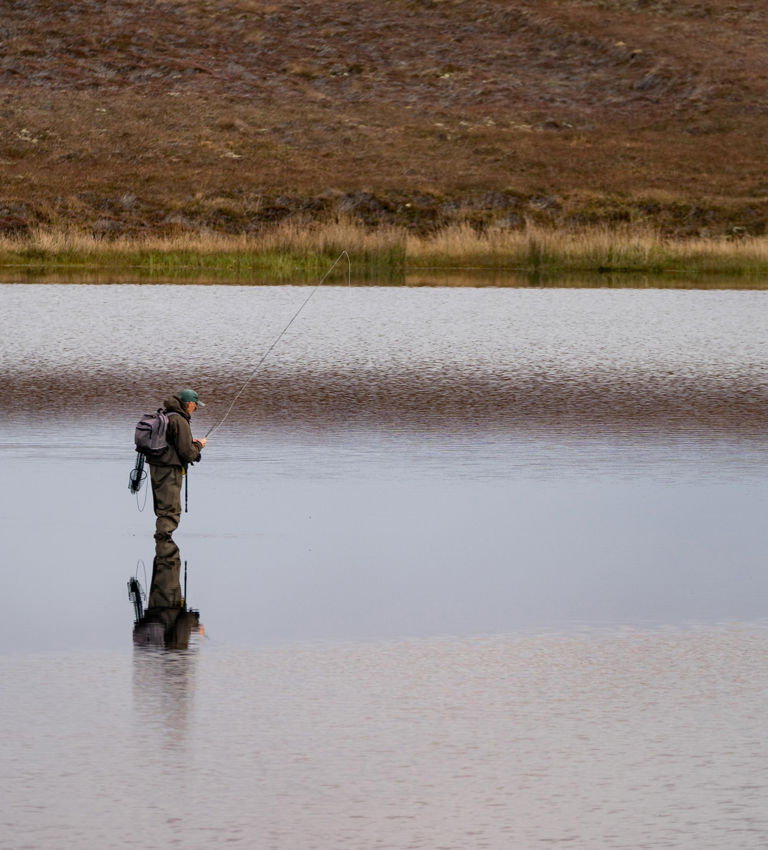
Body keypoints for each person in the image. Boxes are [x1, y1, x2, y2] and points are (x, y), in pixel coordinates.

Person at [146, 388, 207, 541]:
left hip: (156, 467)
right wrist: (199, 446)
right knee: (170, 510)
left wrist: (191, 443)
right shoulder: (180, 420)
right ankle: (165, 546)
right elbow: (187, 453)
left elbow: (172, 442)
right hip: (169, 470)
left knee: (163, 507)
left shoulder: (166, 415)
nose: (196, 408)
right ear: (189, 404)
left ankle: (162, 548)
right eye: (195, 404)